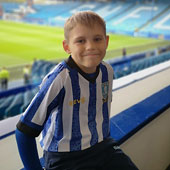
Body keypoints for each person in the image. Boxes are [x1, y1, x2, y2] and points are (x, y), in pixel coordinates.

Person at [15, 11, 139, 170]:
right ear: (67, 46)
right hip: (66, 158)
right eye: (81, 40)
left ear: (106, 41)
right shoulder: (60, 79)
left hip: (103, 147)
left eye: (97, 39)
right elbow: (24, 131)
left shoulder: (107, 71)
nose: (91, 46)